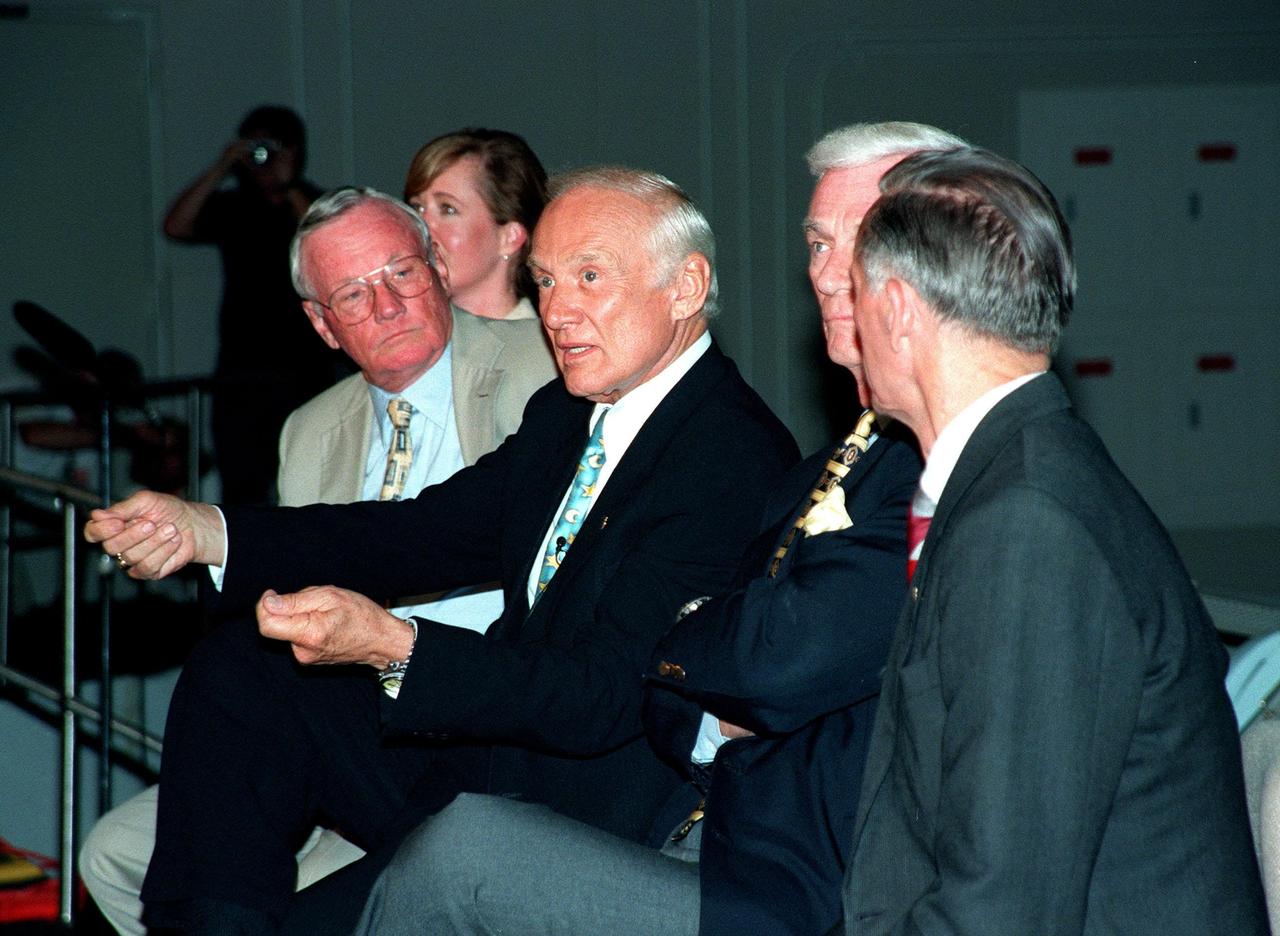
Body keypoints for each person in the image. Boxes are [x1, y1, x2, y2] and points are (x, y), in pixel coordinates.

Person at [85, 166, 799, 933]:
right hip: (488, 755)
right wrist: (210, 531)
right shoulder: (569, 414)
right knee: (241, 668)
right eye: (548, 282)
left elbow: (599, 697)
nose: (559, 311)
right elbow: (418, 534)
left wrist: (394, 646)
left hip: (581, 809)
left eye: (591, 277)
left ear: (687, 287)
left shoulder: (729, 456)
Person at [351, 122, 965, 936]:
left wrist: (693, 644)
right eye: (816, 244)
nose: (826, 274)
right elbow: (710, 684)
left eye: (589, 277)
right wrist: (221, 538)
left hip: (791, 879)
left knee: (459, 855)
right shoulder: (834, 460)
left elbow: (771, 663)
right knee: (273, 706)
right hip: (704, 820)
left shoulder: (933, 474)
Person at [78, 187, 557, 935]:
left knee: (241, 674)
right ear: (322, 325)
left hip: (486, 719)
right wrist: (196, 538)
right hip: (351, 728)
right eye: (353, 294)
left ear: (436, 265)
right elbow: (304, 579)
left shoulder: (545, 370)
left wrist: (218, 533)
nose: (388, 304)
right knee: (113, 852)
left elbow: (428, 536)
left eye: (400, 272)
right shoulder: (308, 431)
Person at [840, 146, 1266, 933]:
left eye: (855, 293)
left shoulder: (1026, 525)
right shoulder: (1022, 478)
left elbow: (1001, 912)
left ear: (897, 310)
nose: (846, 321)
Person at [164, 104, 343, 504]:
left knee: (306, 488)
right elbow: (176, 225)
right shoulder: (234, 207)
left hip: (304, 373)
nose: (265, 157)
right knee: (241, 491)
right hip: (240, 374)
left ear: (296, 149)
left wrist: (287, 184)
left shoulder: (317, 202)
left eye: (276, 146)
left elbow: (328, 241)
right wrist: (222, 165)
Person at [403, 128, 546, 320]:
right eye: (417, 208)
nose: (420, 226)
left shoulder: (533, 347)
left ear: (509, 237)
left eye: (448, 209)